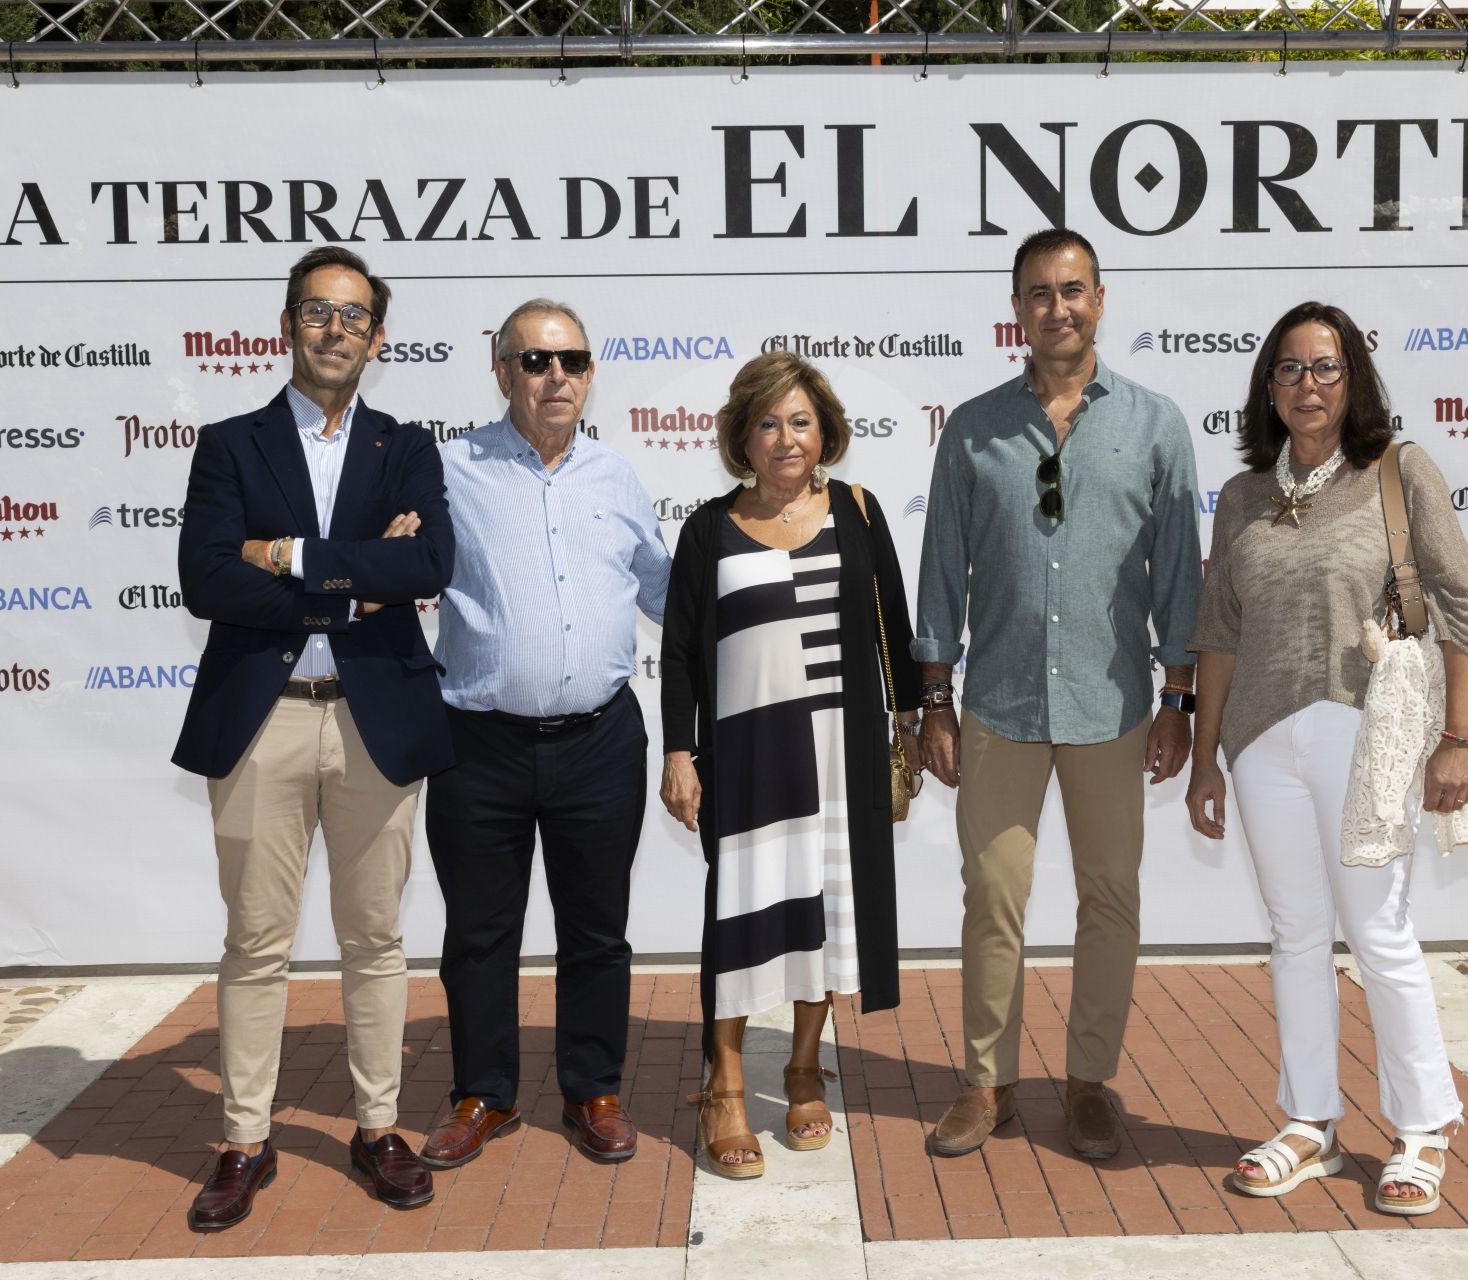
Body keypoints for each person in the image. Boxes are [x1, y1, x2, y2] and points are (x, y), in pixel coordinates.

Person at [1184, 300, 1468, 1216]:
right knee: (1294, 937)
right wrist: (1206, 758)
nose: (1306, 385)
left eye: (1325, 368)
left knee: (1380, 932)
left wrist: (1460, 741)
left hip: (1368, 731)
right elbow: (1219, 633)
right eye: (1288, 369)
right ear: (1267, 387)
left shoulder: (1398, 472)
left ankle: (1425, 1126)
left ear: (1353, 380)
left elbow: (1466, 609)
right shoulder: (1242, 495)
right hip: (1261, 742)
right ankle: (1311, 1123)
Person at [173, 246, 452, 1230]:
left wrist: (287, 557)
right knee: (255, 941)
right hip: (265, 723)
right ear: (288, 325)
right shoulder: (231, 444)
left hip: (376, 717)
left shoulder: (406, 445)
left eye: (354, 314)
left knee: (376, 937)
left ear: (378, 336)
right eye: (317, 311)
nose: (335, 329)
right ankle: (245, 1139)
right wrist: (355, 573)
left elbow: (429, 560)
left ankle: (377, 1124)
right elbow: (207, 578)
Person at [912, 228, 1204, 1159]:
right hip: (997, 704)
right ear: (1017, 309)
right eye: (1038, 293)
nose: (1057, 308)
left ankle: (1088, 1083)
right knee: (992, 893)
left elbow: (1179, 582)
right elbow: (941, 572)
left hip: (1115, 706)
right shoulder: (973, 427)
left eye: (1072, 290)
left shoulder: (1156, 424)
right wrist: (934, 698)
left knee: (1109, 897)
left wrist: (1180, 698)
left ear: (1101, 299)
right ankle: (986, 1084)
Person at [658, 352, 923, 1178]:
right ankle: (727, 1079)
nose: (786, 438)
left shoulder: (859, 511)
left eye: (801, 421)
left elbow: (896, 629)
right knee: (739, 915)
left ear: (825, 432)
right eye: (768, 422)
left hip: (839, 751)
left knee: (827, 911)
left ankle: (806, 1066)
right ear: (742, 435)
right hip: (747, 756)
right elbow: (677, 657)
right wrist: (677, 751)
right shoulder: (708, 528)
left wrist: (914, 723)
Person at [420, 300, 671, 1169]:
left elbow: (666, 594)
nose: (556, 377)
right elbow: (395, 567)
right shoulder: (448, 471)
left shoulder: (617, 475)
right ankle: (482, 1094)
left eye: (572, 360)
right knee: (479, 934)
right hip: (476, 746)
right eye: (535, 362)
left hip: (600, 744)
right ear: (501, 374)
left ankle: (591, 1090)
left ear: (592, 372)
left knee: (597, 931)